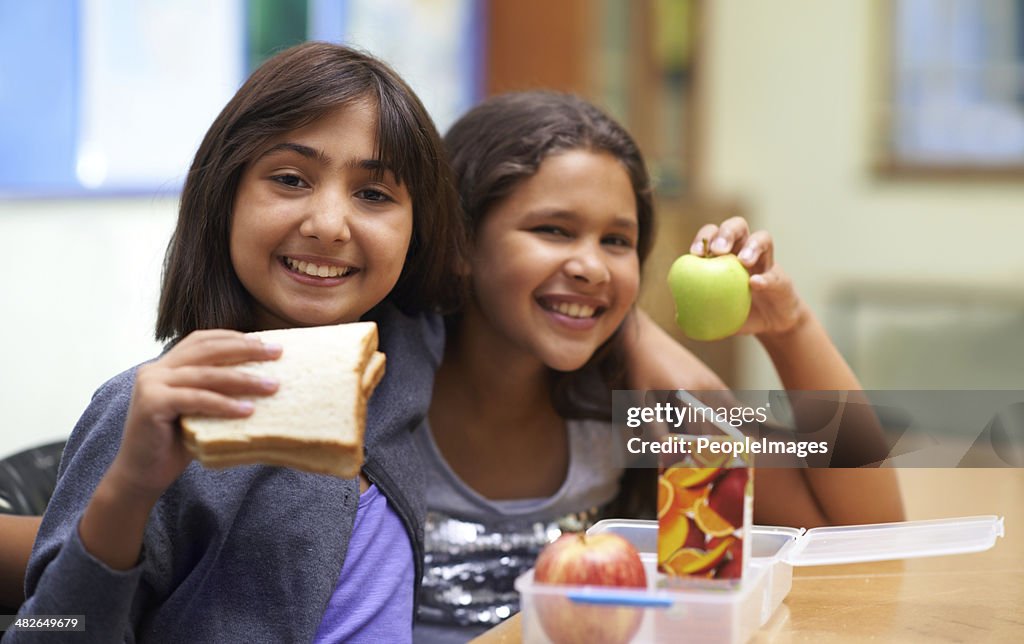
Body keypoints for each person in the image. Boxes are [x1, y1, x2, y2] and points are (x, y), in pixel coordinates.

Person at [5, 42, 465, 643]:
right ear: (225, 197)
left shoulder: (403, 352)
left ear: (416, 229)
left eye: (374, 194)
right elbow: (48, 627)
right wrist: (129, 490)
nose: (329, 224)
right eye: (290, 179)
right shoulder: (149, 412)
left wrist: (636, 381)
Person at [412, 91, 903, 642]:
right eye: (553, 229)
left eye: (617, 240)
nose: (593, 266)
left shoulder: (641, 401)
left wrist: (790, 328)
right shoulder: (384, 385)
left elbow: (870, 540)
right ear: (460, 242)